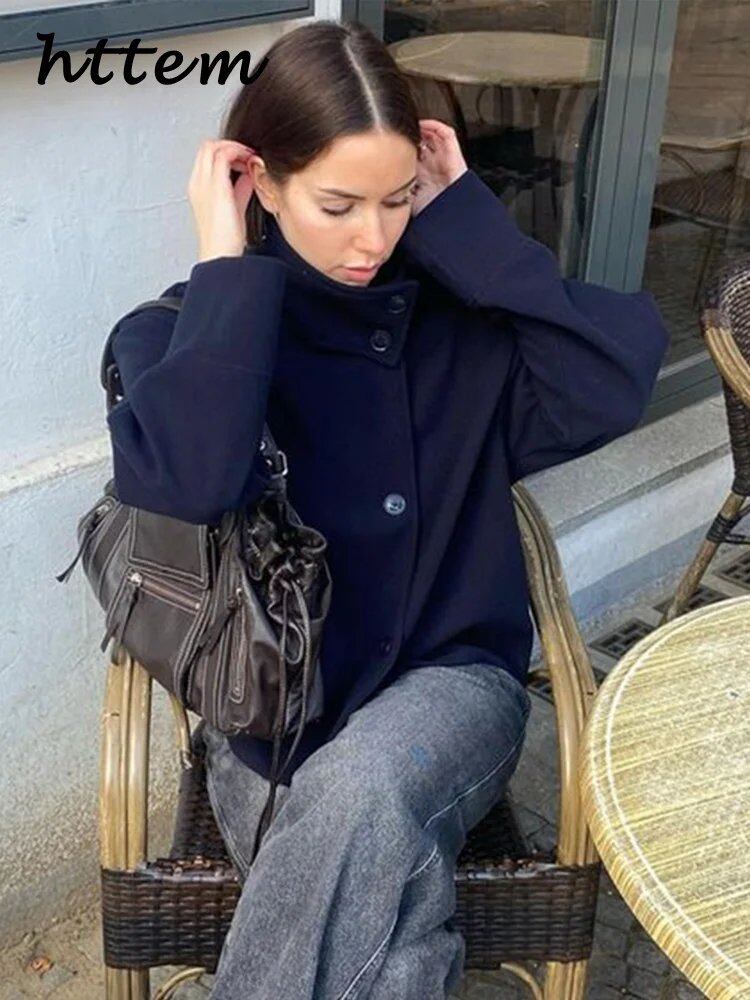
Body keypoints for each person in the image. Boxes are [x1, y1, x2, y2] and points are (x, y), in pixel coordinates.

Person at [104, 18, 670, 999]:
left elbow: (611, 382)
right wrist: (225, 268)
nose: (373, 238)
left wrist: (470, 226)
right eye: (337, 204)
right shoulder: (185, 339)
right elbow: (191, 484)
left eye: (398, 199)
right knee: (392, 928)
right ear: (259, 181)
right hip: (270, 718)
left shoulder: (464, 324)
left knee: (365, 786)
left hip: (453, 688)